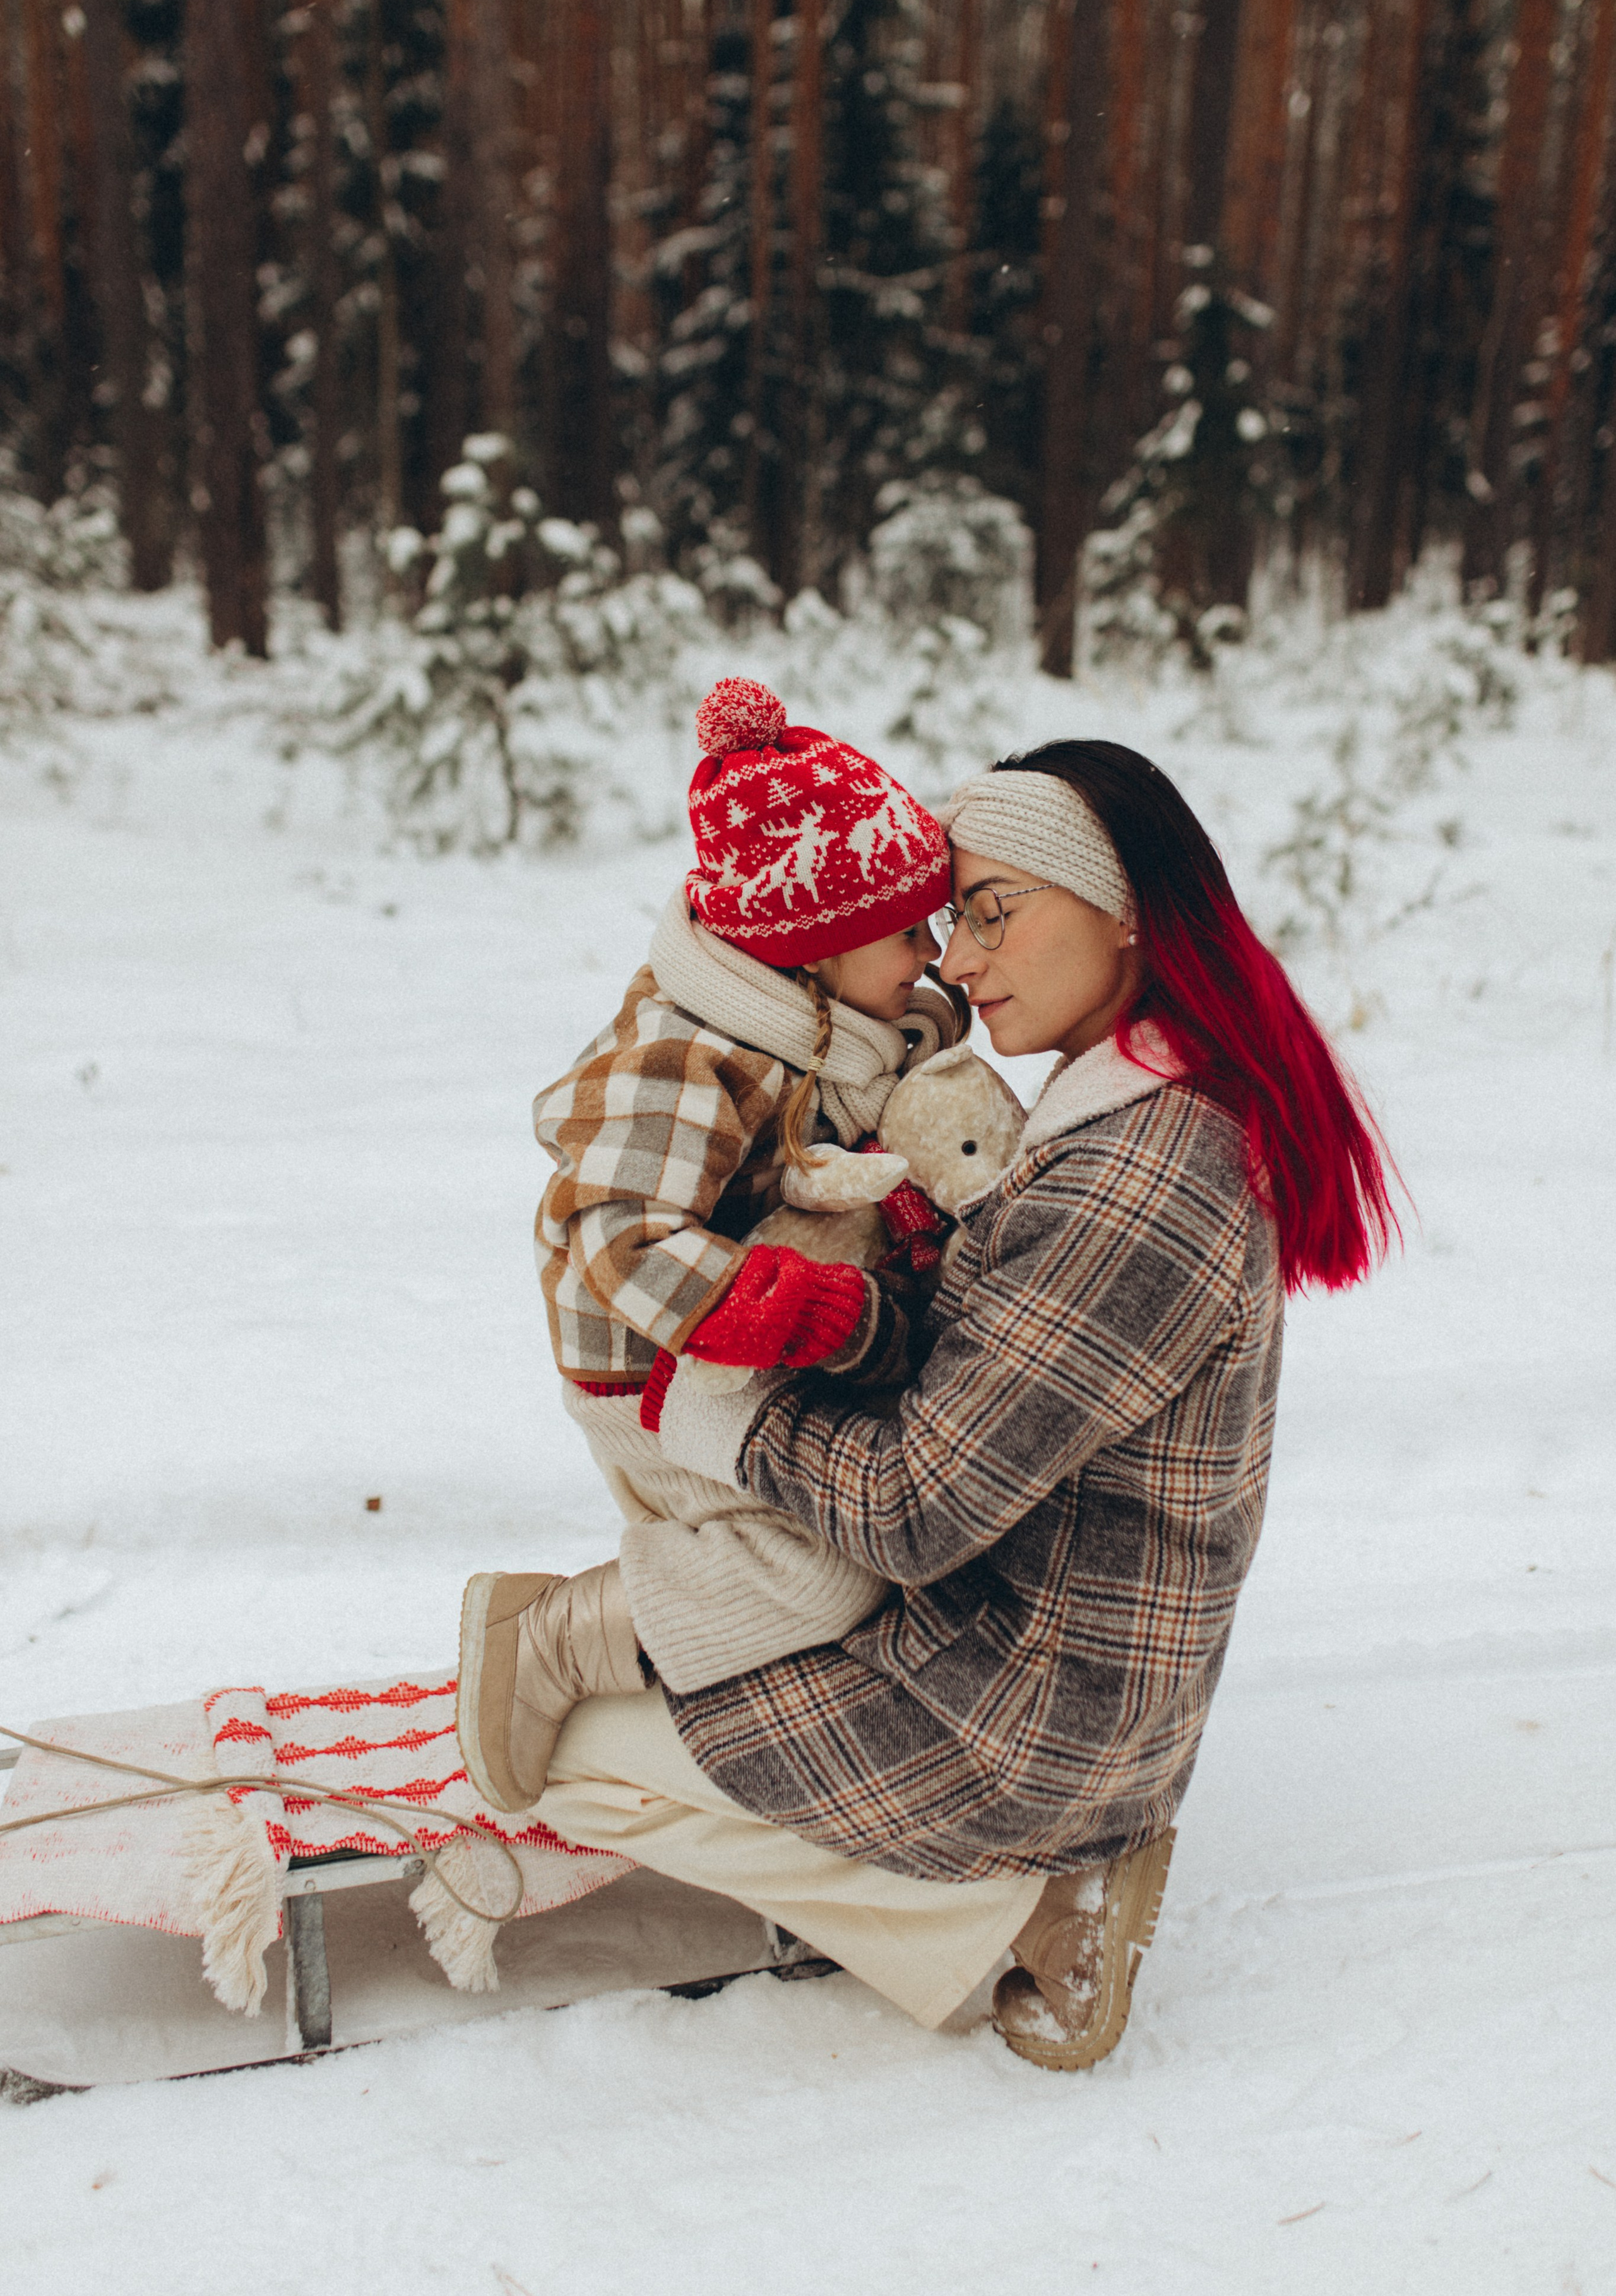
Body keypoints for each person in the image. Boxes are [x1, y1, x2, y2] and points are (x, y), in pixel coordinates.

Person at [458, 738, 1398, 2069]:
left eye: (991, 908)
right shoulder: (1140, 1110)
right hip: (1055, 1679)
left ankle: (1015, 1896)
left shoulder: (1129, 1184)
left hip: (1004, 1728)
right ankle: (1018, 1889)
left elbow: (909, 1508)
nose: (954, 959)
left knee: (582, 1765)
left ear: (1120, 904)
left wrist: (716, 1412)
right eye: (949, 919)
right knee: (750, 1594)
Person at [456, 675, 966, 1817]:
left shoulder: (819, 1008)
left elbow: (884, 1036)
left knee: (865, 1524)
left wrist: (930, 1027)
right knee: (826, 1568)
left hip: (731, 1354)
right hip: (650, 1365)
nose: (931, 952)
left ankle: (705, 1655)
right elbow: (622, 1238)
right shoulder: (689, 1057)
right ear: (814, 949)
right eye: (907, 931)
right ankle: (555, 1641)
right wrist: (815, 1312)